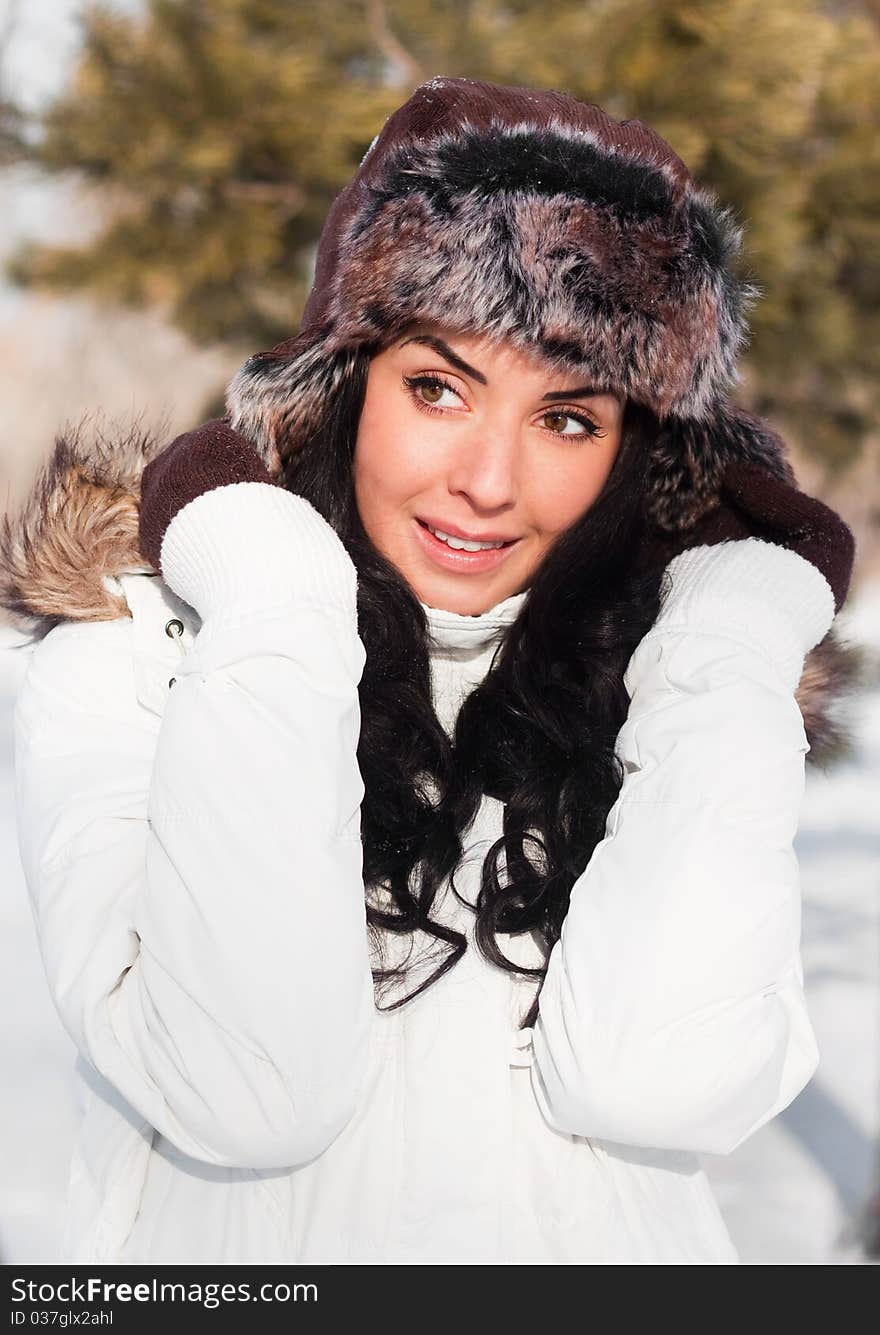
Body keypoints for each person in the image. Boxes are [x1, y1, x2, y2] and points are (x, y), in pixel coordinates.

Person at [1, 76, 858, 1265]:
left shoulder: (672, 695)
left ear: (631, 456)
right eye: (437, 387)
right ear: (343, 387)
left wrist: (725, 642)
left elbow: (660, 1084)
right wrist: (279, 598)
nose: (488, 481)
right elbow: (246, 1094)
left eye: (568, 418)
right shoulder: (143, 657)